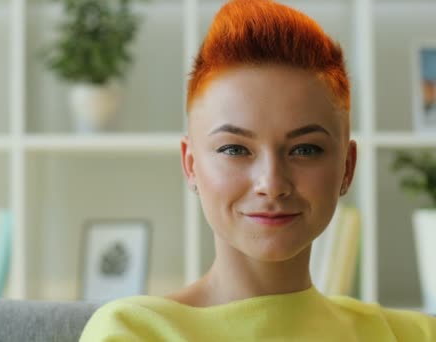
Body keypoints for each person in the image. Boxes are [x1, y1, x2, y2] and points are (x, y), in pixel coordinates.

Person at [79, 0, 436, 340]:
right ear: (190, 165)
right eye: (235, 149)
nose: (272, 183)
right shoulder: (134, 331)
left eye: (305, 149)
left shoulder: (412, 335)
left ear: (347, 167)